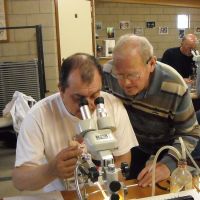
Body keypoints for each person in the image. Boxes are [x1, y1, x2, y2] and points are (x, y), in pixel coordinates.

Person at [12, 53, 138, 192]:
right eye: (79, 98)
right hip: (61, 194)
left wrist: (106, 187)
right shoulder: (38, 116)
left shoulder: (113, 106)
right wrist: (51, 170)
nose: (89, 105)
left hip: (100, 191)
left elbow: (123, 158)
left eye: (95, 96)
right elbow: (19, 181)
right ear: (61, 90)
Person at [103, 34, 200, 187]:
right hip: (132, 143)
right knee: (131, 185)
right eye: (120, 75)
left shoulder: (174, 85)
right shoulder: (108, 73)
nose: (125, 83)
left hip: (167, 142)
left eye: (133, 75)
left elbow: (190, 134)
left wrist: (168, 164)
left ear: (152, 63)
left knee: (164, 187)